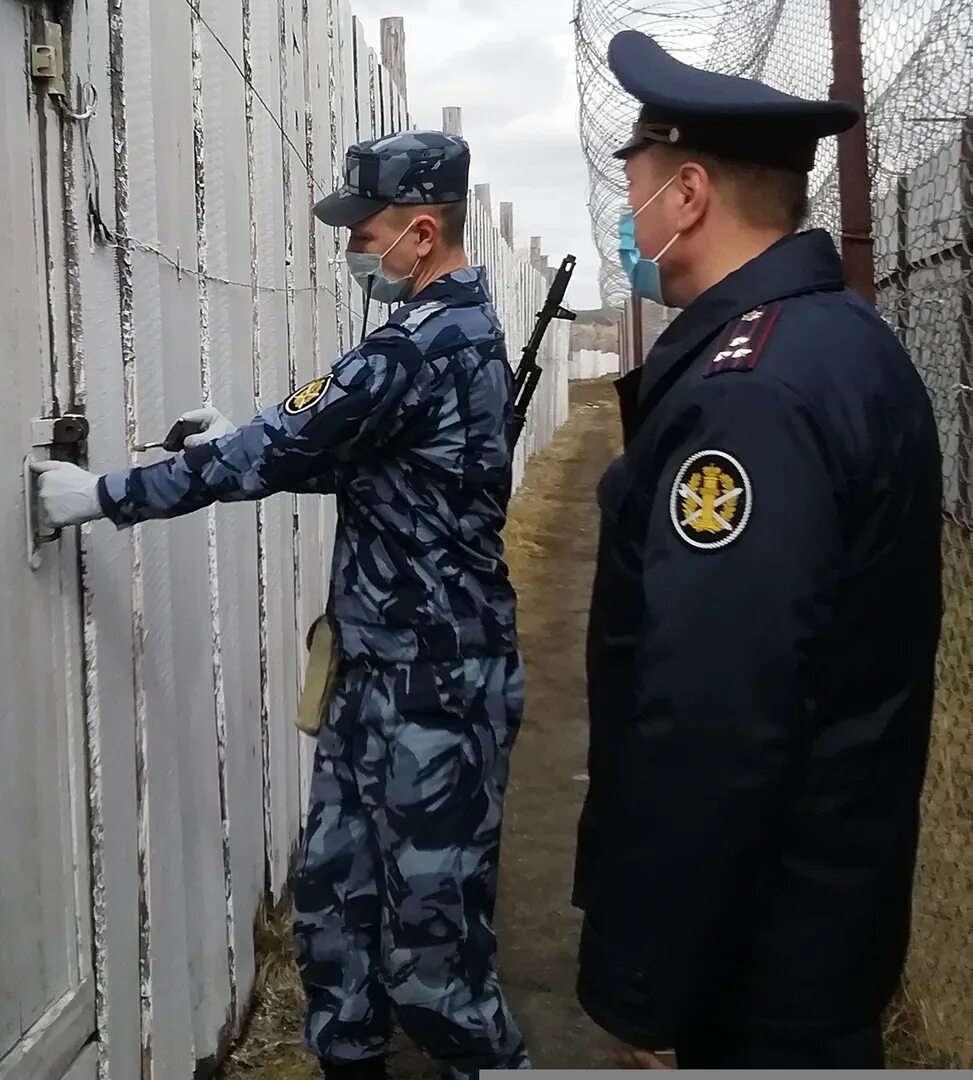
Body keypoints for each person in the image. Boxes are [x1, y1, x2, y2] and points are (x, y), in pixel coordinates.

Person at [33, 130, 529, 1079]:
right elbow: (383, 468)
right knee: (338, 910)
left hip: (437, 688)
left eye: (367, 230)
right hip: (378, 672)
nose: (355, 249)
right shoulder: (449, 337)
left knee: (432, 957)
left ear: (420, 233)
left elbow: (277, 448)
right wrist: (245, 440)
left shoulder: (421, 345)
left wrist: (103, 497)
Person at [573, 30, 943, 1070]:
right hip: (817, 926)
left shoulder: (747, 399)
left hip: (752, 969)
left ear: (686, 193)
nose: (627, 215)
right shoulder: (838, 340)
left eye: (635, 182)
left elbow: (715, 717)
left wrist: (648, 987)